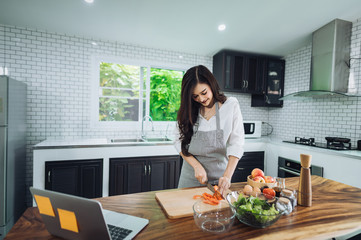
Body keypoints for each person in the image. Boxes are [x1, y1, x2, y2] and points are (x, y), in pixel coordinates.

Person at [174, 65, 245, 194]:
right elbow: (178, 141)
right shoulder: (189, 110)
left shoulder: (230, 105)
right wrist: (196, 166)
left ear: (211, 84)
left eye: (204, 92)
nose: (201, 99)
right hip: (191, 176)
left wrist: (227, 176)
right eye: (195, 96)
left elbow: (236, 143)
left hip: (220, 178)